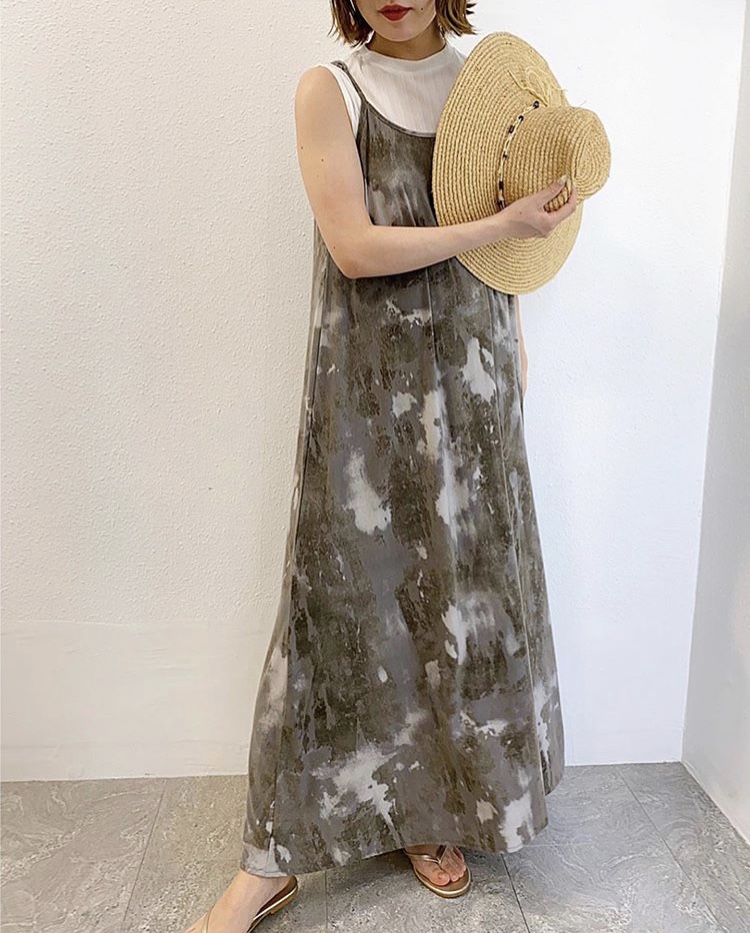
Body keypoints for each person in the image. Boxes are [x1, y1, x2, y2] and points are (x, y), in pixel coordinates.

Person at [187, 2, 577, 931]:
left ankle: (436, 813)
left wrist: (515, 334)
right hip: (365, 391)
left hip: (472, 382)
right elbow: (355, 249)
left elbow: (514, 249)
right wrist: (496, 225)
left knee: (461, 595)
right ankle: (270, 856)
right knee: (338, 603)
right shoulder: (333, 90)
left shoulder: (492, 88)